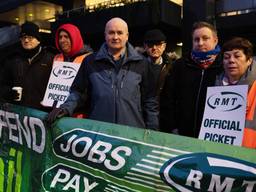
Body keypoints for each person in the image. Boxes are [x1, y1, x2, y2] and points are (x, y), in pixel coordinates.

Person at [48, 17, 158, 130]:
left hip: (131, 135)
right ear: (105, 35)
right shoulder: (90, 61)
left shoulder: (142, 63)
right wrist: (66, 108)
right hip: (99, 133)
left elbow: (150, 101)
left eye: (120, 33)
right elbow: (79, 92)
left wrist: (153, 132)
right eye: (111, 33)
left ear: (127, 36)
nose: (115, 37)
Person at [168, 21, 223, 137]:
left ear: (215, 40)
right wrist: (172, 127)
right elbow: (168, 99)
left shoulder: (224, 67)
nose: (200, 43)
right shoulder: (180, 65)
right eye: (196, 39)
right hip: (182, 135)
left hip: (213, 136)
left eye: (205, 38)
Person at [0, 21, 54, 111]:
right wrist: (9, 93)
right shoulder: (12, 60)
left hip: (43, 115)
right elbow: (2, 85)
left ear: (38, 39)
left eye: (30, 37)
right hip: (19, 114)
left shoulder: (51, 59)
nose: (26, 40)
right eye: (23, 37)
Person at [215, 37, 256, 149]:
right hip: (219, 153)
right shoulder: (214, 88)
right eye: (226, 57)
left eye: (237, 56)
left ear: (249, 61)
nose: (231, 60)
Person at [143, 29, 173, 132]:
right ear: (145, 46)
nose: (154, 48)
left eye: (158, 44)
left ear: (164, 46)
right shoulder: (136, 66)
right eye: (151, 45)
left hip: (165, 120)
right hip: (141, 119)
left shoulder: (173, 67)